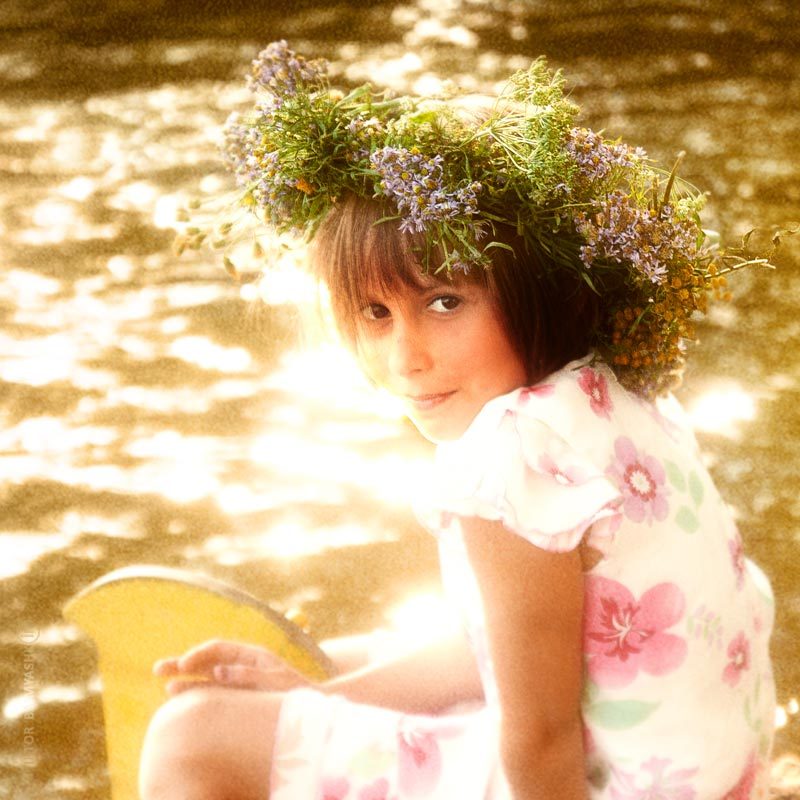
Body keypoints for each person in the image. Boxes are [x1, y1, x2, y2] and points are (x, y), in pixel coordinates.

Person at [139, 42, 776, 800]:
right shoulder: (612, 391)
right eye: (375, 314)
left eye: (443, 302)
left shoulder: (508, 465)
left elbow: (540, 741)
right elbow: (515, 645)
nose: (405, 357)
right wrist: (315, 692)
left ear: (532, 288)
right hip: (703, 773)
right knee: (331, 660)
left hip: (608, 786)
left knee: (190, 739)